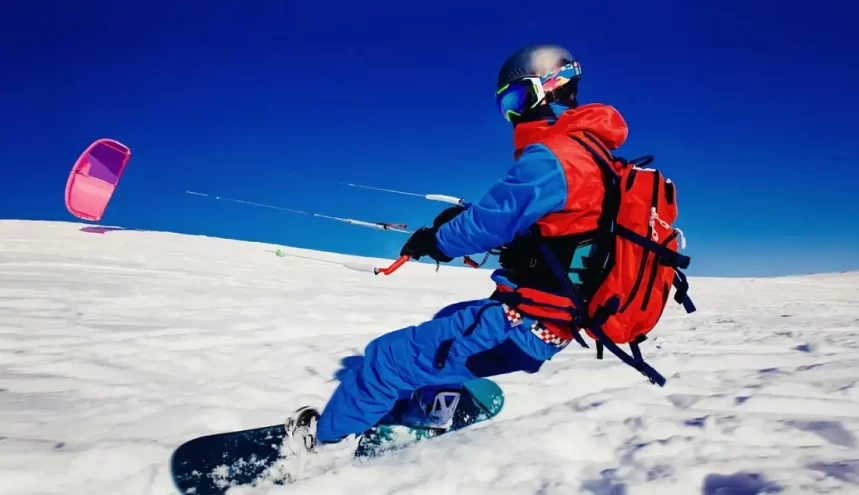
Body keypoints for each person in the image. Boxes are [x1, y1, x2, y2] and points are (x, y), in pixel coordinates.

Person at [289, 43, 636, 448]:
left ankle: (322, 446)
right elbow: (554, 227)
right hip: (551, 324)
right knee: (450, 318)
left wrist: (434, 240)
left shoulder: (556, 156)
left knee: (385, 359)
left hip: (521, 322)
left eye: (519, 98)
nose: (514, 114)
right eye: (507, 105)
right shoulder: (599, 159)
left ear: (553, 87)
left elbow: (492, 222)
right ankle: (429, 412)